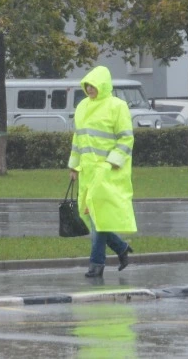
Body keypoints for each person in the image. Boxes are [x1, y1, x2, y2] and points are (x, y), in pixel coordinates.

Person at [68, 66, 137, 278]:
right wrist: (74, 166)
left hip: (107, 171)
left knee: (99, 217)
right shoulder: (81, 107)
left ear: (104, 85)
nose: (90, 89)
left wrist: (113, 162)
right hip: (89, 171)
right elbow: (78, 139)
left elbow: (126, 138)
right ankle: (121, 248)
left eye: (94, 85)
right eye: (87, 85)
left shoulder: (117, 106)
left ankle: (96, 264)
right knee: (94, 217)